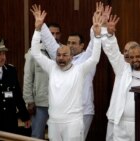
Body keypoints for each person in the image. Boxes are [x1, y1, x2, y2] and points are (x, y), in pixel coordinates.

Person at [34, 2, 111, 139]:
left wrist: (97, 27)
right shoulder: (59, 59)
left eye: (74, 43)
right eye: (68, 43)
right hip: (59, 116)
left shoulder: (84, 62)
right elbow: (50, 43)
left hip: (82, 111)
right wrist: (40, 26)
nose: (70, 46)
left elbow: (94, 48)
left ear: (82, 46)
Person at [102, 15, 140, 141]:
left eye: (138, 56)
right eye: (131, 57)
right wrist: (110, 35)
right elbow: (112, 52)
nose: (134, 60)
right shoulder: (123, 68)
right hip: (119, 121)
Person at [23, 23, 61, 139]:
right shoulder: (34, 52)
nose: (54, 36)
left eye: (57, 33)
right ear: (45, 34)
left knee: (59, 136)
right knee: (37, 135)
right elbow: (28, 77)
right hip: (40, 103)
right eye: (51, 33)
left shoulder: (64, 52)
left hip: (60, 103)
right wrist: (29, 100)